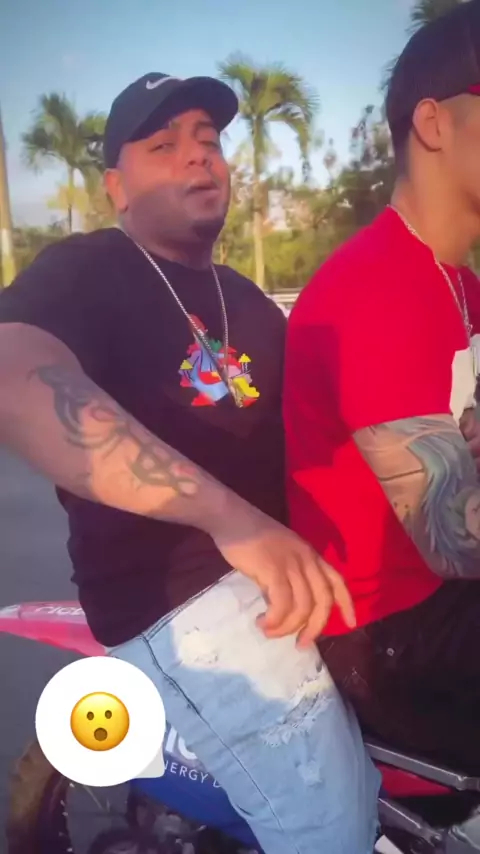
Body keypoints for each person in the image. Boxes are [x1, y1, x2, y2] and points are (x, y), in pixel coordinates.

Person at [0, 73, 380, 853]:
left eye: (209, 141)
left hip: (284, 576)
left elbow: (329, 427)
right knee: (332, 826)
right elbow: (16, 380)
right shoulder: (87, 270)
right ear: (116, 187)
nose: (198, 156)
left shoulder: (248, 301)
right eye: (164, 145)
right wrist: (230, 519)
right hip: (181, 599)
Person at [284, 0, 480, 776]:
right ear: (434, 124)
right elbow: (455, 542)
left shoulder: (460, 284)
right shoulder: (375, 291)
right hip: (390, 632)